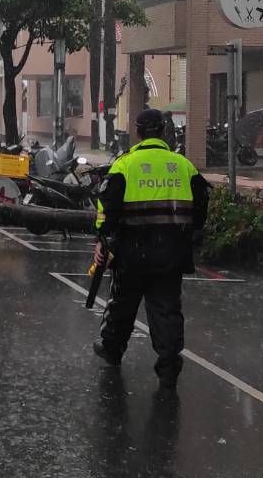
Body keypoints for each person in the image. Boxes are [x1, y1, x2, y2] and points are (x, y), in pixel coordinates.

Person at [87, 107, 210, 388]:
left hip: (131, 251)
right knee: (167, 308)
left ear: (138, 133)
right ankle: (168, 364)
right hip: (171, 253)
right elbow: (201, 207)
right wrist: (189, 234)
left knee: (122, 304)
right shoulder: (183, 165)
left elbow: (108, 207)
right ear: (164, 132)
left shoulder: (125, 165)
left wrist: (103, 239)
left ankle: (112, 349)